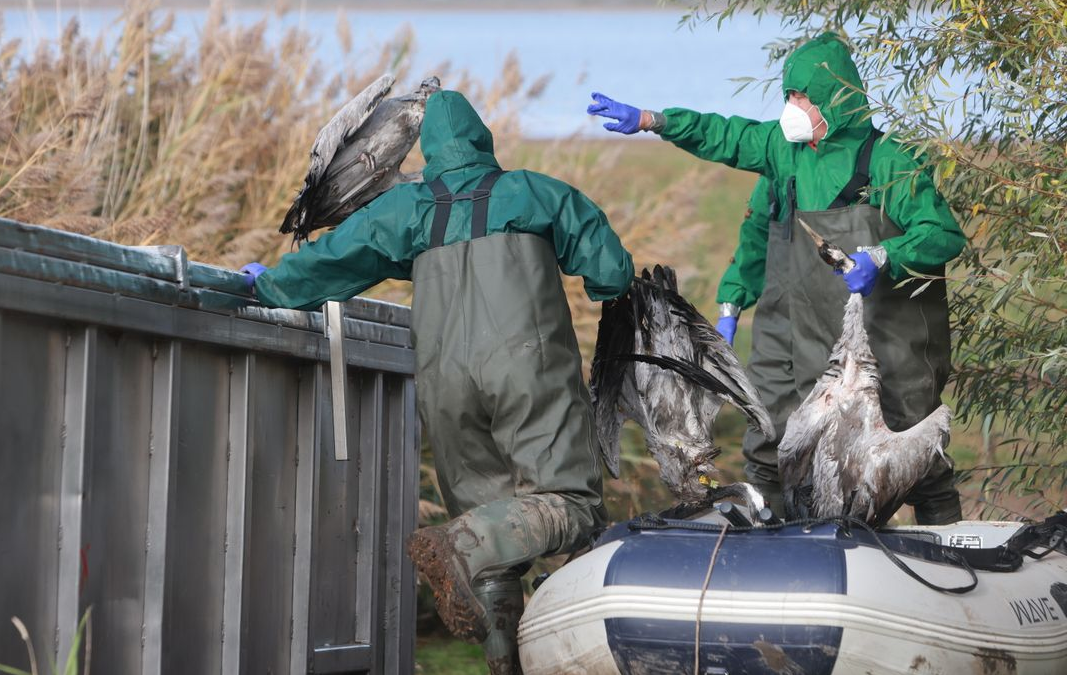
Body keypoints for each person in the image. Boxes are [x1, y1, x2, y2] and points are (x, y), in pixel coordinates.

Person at [243, 89, 633, 673]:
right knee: (570, 503)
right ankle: (460, 542)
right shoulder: (534, 191)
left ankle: (504, 660)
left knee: (493, 538)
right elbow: (610, 269)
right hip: (528, 370)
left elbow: (336, 260)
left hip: (445, 382)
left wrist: (271, 285)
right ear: (484, 140)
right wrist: (606, 293)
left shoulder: (407, 208)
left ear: (427, 151)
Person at [587, 32, 966, 525]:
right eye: (788, 96)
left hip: (883, 339)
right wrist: (650, 120)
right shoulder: (783, 157)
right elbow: (728, 142)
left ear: (835, 98)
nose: (792, 106)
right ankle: (782, 544)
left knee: (911, 447)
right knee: (773, 443)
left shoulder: (889, 161)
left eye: (802, 97)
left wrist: (883, 255)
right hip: (790, 333)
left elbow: (942, 234)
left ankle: (953, 544)